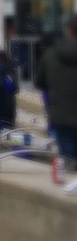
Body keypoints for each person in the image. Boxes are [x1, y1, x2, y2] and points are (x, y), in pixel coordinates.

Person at [34, 13, 77, 161]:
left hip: (61, 117)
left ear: (69, 30)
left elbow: (39, 83)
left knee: (68, 161)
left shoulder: (51, 54)